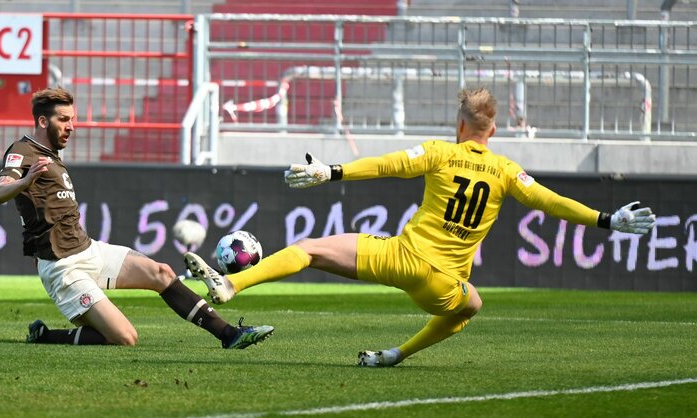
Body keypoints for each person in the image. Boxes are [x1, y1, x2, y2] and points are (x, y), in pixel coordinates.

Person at [184, 87, 656, 366]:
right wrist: (607, 220)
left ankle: (231, 282)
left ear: (460, 124)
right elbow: (551, 202)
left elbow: (387, 165)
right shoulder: (508, 171)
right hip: (442, 283)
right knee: (470, 305)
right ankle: (395, 355)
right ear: (491, 130)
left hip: (399, 258)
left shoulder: (438, 151)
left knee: (309, 249)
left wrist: (333, 172)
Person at [0, 87, 273, 348]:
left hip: (88, 250)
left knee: (161, 272)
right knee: (125, 337)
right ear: (42, 121)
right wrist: (25, 182)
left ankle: (230, 335)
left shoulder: (51, 155)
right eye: (64, 120)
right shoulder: (23, 151)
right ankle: (46, 337)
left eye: (72, 119)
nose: (71, 127)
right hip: (63, 268)